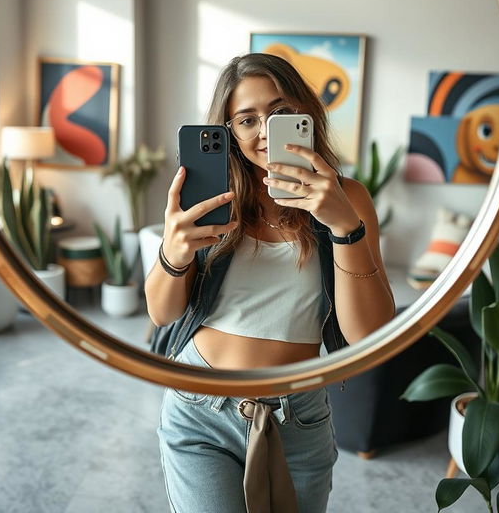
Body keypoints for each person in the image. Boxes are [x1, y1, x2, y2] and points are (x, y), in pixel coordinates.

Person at [145, 53, 395, 513]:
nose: (263, 131)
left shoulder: (348, 197)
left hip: (298, 415)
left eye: (279, 113)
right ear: (228, 132)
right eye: (246, 119)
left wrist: (345, 226)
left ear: (305, 113)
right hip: (200, 407)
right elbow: (161, 313)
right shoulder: (212, 195)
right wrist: (173, 253)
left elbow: (369, 334)